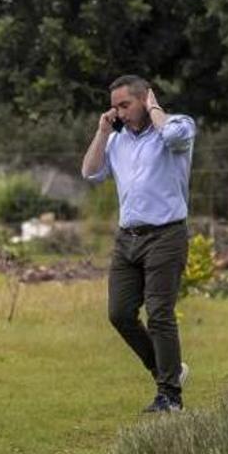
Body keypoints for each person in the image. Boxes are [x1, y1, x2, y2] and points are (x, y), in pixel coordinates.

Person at [82, 75, 195, 412]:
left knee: (160, 313)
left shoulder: (176, 126)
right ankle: (167, 372)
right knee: (119, 313)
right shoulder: (117, 141)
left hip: (166, 235)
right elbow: (89, 172)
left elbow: (174, 136)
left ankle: (170, 396)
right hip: (127, 239)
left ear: (144, 99)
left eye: (125, 105)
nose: (119, 112)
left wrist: (155, 108)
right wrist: (102, 132)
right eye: (115, 106)